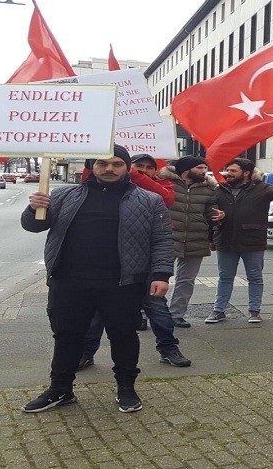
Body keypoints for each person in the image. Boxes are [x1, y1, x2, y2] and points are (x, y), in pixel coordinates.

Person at [21, 144, 173, 413]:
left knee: (124, 336)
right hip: (69, 281)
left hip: (122, 283)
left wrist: (161, 274)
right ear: (93, 167)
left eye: (117, 164)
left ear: (127, 167)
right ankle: (60, 389)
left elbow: (161, 240)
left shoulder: (149, 200)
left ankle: (126, 387)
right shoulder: (65, 195)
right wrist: (34, 210)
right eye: (103, 164)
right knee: (67, 336)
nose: (109, 169)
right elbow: (34, 226)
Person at [78, 154, 190, 370]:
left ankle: (168, 348)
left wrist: (161, 273)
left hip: (146, 262)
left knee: (157, 308)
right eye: (140, 167)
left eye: (150, 168)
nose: (145, 171)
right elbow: (88, 181)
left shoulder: (161, 186)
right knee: (97, 313)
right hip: (111, 264)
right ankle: (86, 351)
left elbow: (164, 201)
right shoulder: (110, 187)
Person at [205, 158, 273, 324]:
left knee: (255, 277)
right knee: (225, 277)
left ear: (246, 173)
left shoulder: (262, 188)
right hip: (226, 240)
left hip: (253, 241)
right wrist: (216, 223)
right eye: (228, 170)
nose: (228, 174)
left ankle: (254, 311)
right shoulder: (220, 190)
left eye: (233, 171)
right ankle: (218, 310)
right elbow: (211, 214)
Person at [159, 156, 220, 328]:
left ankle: (177, 314)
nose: (204, 171)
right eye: (200, 168)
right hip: (167, 238)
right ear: (187, 169)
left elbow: (211, 214)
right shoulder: (165, 184)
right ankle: (153, 312)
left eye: (204, 168)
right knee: (158, 276)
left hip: (196, 239)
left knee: (186, 280)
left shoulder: (209, 189)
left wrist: (218, 217)